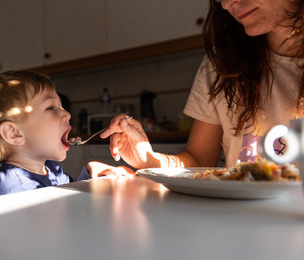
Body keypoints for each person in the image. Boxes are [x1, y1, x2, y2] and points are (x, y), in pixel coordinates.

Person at [101, 0, 303, 169]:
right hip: (240, 216)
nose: (226, 4)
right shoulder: (223, 64)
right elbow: (199, 160)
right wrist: (149, 159)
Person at [0, 71, 133, 196]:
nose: (67, 114)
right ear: (14, 133)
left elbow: (67, 194)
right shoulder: (14, 189)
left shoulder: (51, 169)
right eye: (51, 108)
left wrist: (89, 173)